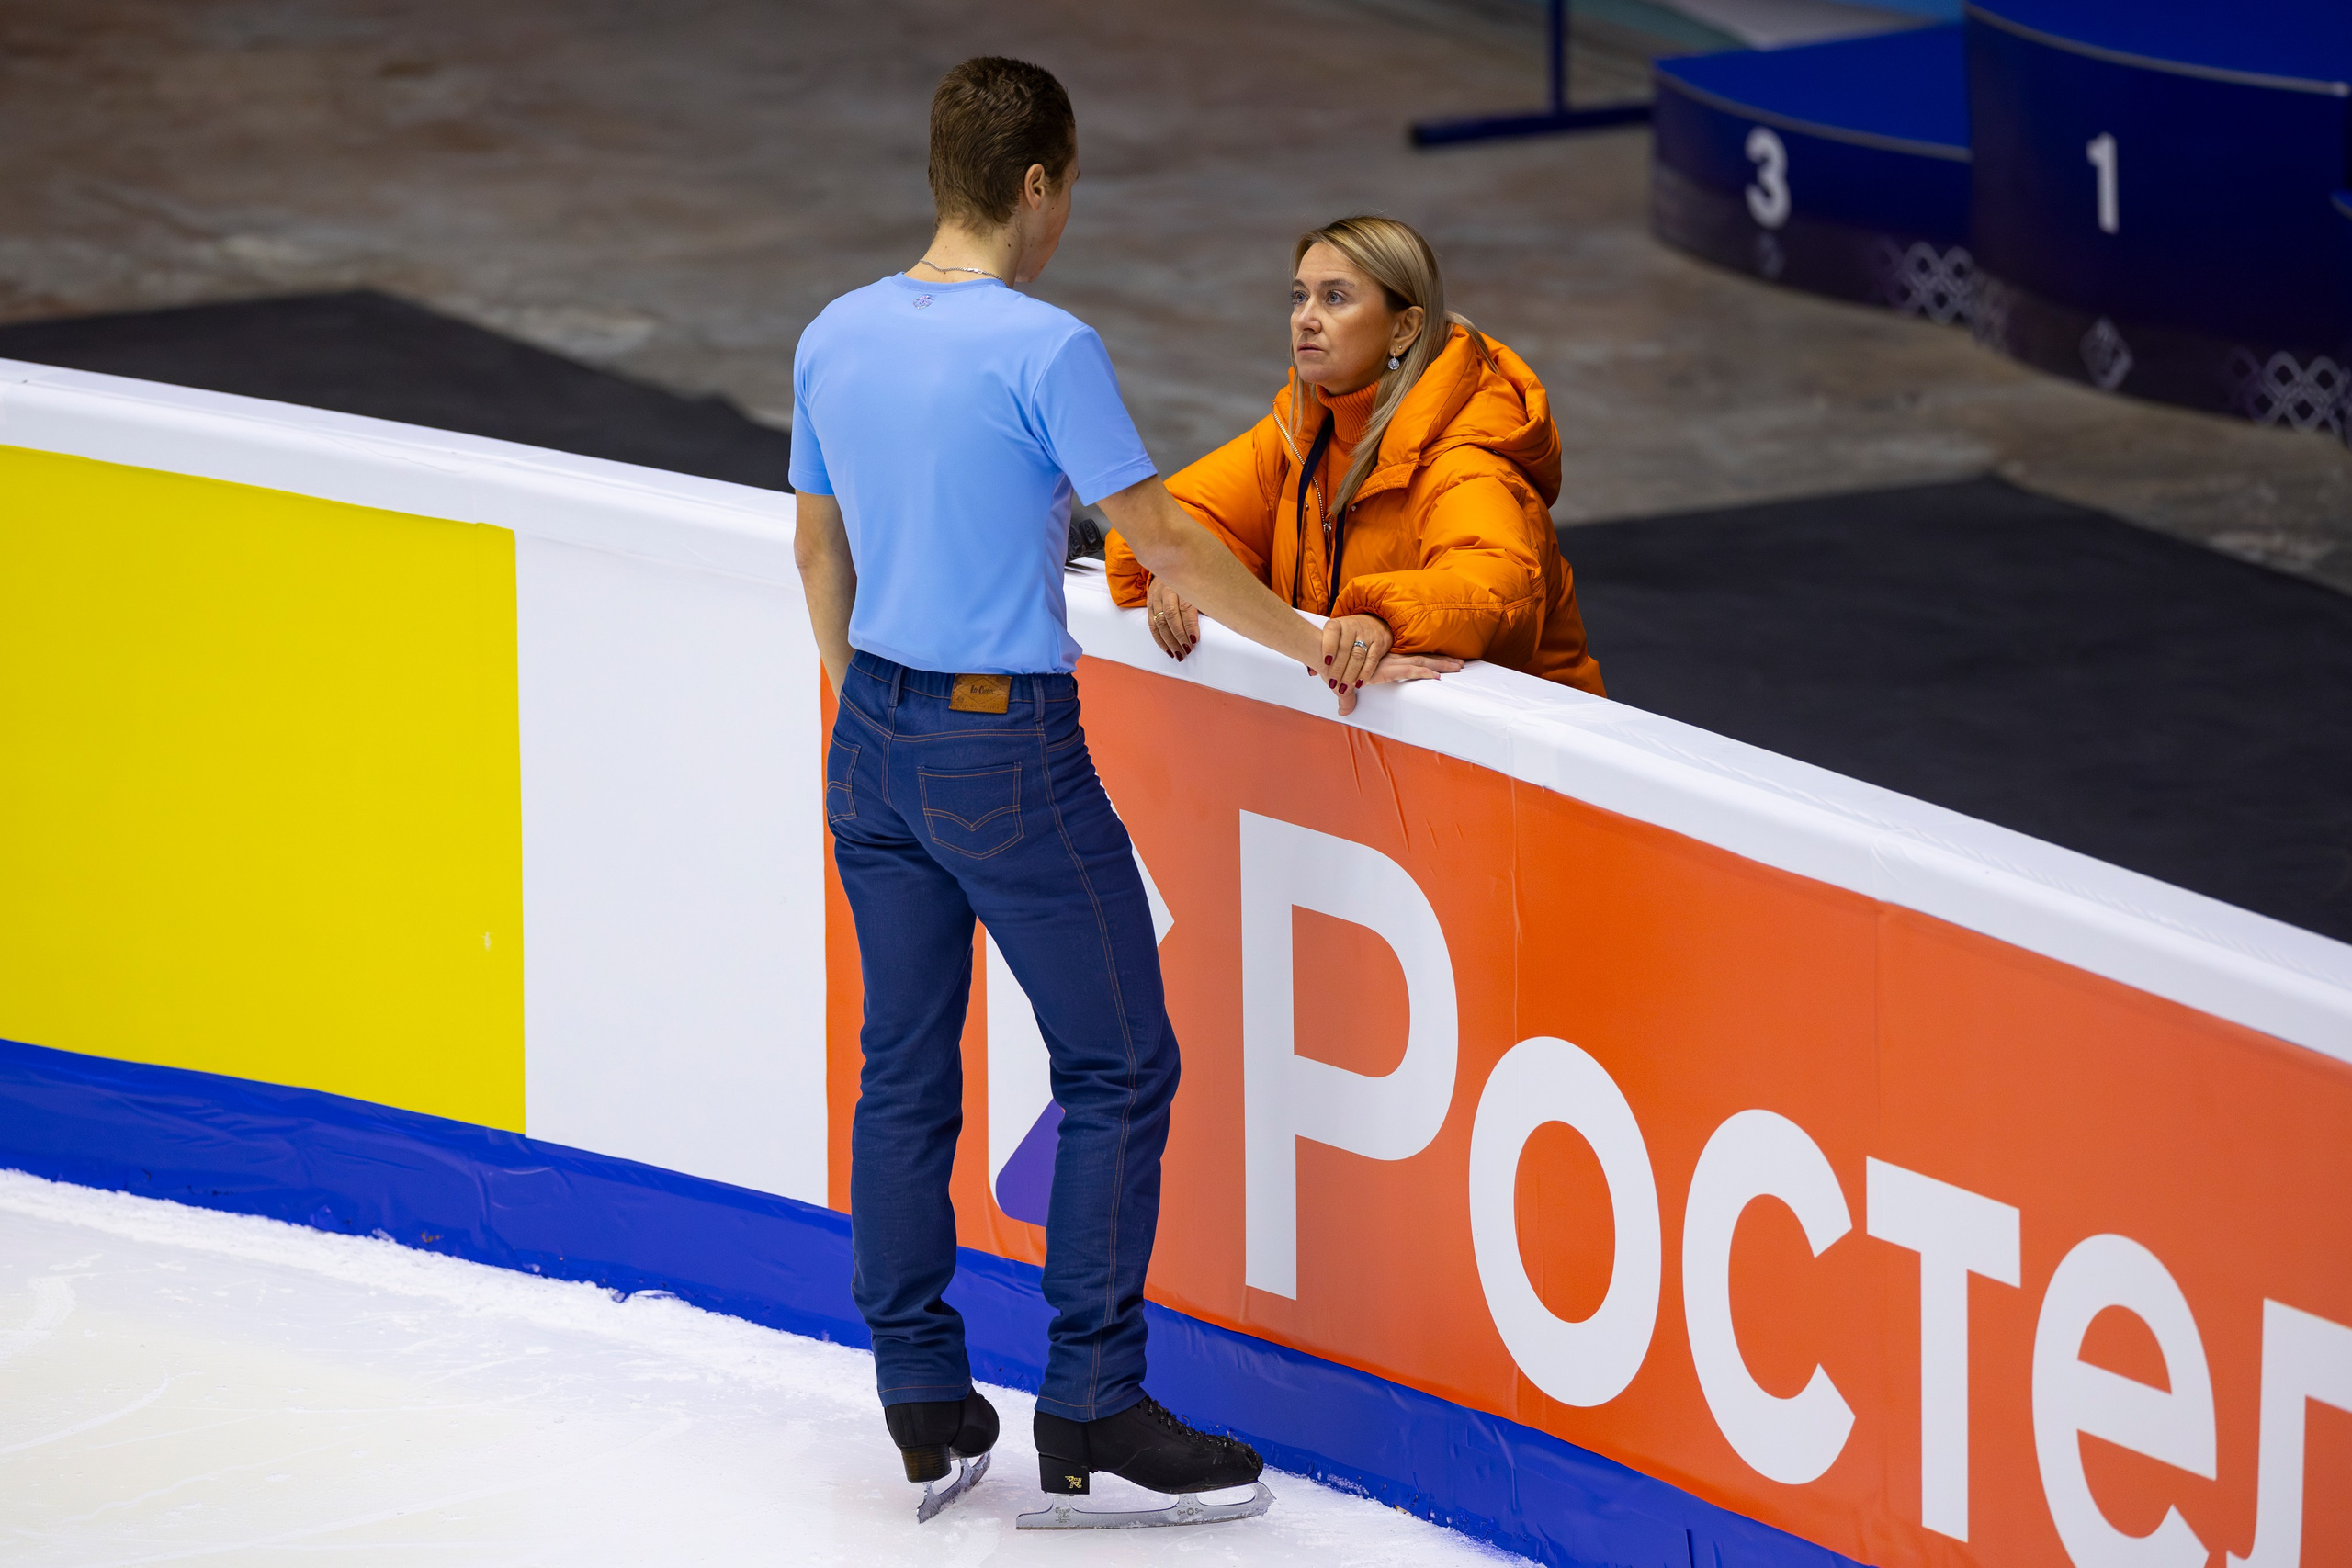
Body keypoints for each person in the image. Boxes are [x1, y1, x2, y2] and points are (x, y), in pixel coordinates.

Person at [788, 59, 1452, 1520]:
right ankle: (1090, 1397)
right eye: (1069, 188)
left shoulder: (833, 333)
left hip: (876, 733)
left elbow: (817, 554)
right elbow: (1170, 543)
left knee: (903, 1065)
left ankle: (920, 1391)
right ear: (1038, 184)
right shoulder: (1044, 345)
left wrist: (862, 719)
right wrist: (1323, 642)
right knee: (1118, 1064)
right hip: (1001, 746)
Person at [1104, 215, 1605, 698]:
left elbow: (1500, 590)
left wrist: (1380, 618)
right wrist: (1184, 577)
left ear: (1404, 329)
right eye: (1299, 297)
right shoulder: (1296, 434)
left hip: (1538, 763)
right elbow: (1167, 525)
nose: (1306, 318)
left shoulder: (1466, 460)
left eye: (1334, 298)